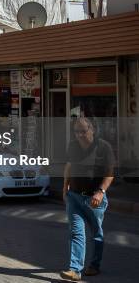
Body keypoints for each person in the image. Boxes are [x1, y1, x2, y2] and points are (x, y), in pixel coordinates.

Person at [60, 117, 115, 281]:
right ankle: (75, 270)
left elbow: (110, 173)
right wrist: (65, 188)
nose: (80, 135)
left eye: (83, 131)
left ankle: (95, 265)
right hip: (75, 197)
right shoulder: (73, 145)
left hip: (94, 199)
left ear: (92, 129)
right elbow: (69, 166)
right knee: (76, 232)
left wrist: (101, 192)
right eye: (76, 132)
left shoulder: (104, 147)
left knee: (96, 234)